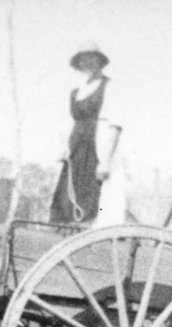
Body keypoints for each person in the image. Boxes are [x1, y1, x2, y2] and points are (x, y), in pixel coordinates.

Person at [49, 42, 123, 224]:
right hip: (76, 148)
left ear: (99, 62)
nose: (87, 64)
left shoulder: (109, 87)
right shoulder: (75, 92)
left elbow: (115, 125)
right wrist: (63, 149)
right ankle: (66, 232)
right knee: (68, 196)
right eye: (83, 61)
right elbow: (70, 123)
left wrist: (105, 162)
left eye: (91, 59)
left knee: (94, 196)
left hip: (98, 147)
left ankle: (89, 232)